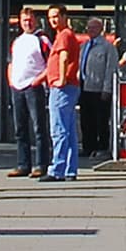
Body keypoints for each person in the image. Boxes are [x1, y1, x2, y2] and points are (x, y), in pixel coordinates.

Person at [7, 7, 50, 178]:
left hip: (34, 88)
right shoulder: (17, 41)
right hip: (17, 88)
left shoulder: (42, 40)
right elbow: (11, 63)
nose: (28, 23)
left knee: (39, 128)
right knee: (20, 129)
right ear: (20, 22)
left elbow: (51, 63)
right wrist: (11, 81)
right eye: (24, 20)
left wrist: (38, 80)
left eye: (30, 20)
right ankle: (23, 164)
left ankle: (41, 165)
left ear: (36, 21)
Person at [44, 14, 86, 182]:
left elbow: (63, 57)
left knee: (59, 129)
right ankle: (69, 169)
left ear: (63, 16)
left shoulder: (64, 35)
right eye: (50, 17)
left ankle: (57, 169)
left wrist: (61, 79)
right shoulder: (67, 35)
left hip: (62, 88)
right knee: (68, 130)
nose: (53, 20)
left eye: (56, 16)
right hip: (69, 87)